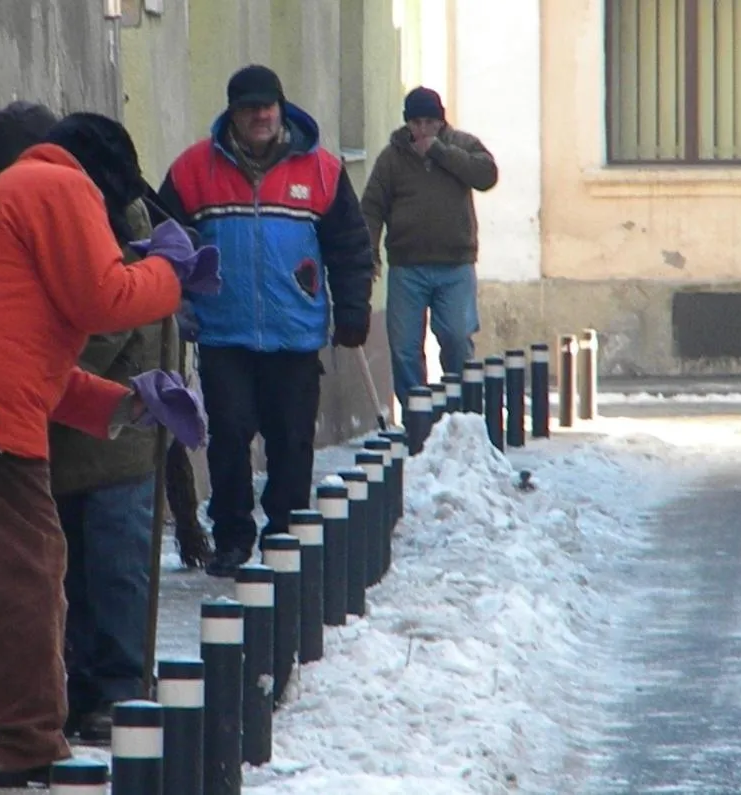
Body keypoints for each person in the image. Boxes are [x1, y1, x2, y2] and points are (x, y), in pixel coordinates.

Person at [0, 110, 213, 787]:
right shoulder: (61, 186)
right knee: (33, 571)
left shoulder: (1, 200)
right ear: (104, 180)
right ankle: (28, 739)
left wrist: (126, 404)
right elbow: (103, 299)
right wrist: (168, 273)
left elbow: (23, 354)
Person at [159, 64, 374, 578]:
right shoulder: (194, 170)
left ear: (281, 108)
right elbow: (165, 240)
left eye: (268, 106)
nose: (261, 115)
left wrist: (353, 310)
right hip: (223, 331)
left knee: (291, 439)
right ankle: (232, 537)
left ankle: (285, 533)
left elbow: (350, 247)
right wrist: (177, 300)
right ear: (232, 114)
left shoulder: (321, 171)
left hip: (294, 333)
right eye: (250, 108)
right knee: (229, 436)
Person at [41, 113, 177, 745]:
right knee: (75, 571)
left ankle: (121, 691)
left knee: (116, 567)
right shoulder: (74, 215)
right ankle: (83, 689)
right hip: (68, 425)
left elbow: (114, 321)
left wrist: (37, 377)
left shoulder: (124, 228)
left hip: (116, 427)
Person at [360, 86, 498, 411]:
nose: (423, 130)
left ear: (441, 121)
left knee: (456, 337)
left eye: (430, 122)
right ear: (407, 123)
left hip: (456, 264)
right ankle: (416, 417)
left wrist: (440, 152)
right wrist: (369, 254)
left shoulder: (462, 144)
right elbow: (372, 207)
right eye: (416, 123)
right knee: (404, 348)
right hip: (407, 266)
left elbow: (487, 175)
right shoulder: (392, 158)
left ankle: (461, 412)